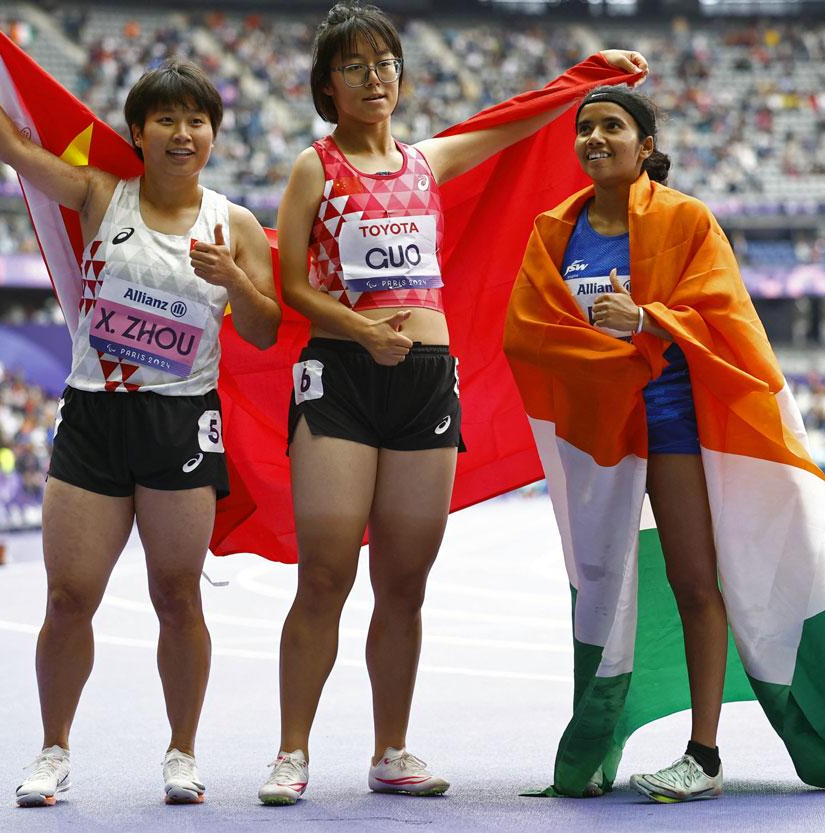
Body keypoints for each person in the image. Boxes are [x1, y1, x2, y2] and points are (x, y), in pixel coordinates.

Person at [257, 2, 648, 805]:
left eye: (387, 62)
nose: (377, 77)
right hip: (340, 376)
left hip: (427, 379)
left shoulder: (426, 164)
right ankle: (291, 751)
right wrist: (361, 331)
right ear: (328, 86)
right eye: (357, 66)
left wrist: (590, 76)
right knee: (327, 573)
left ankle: (390, 748)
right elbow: (292, 284)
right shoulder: (314, 167)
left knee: (405, 581)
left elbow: (511, 125)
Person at [503, 86, 825, 801]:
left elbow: (723, 315)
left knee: (695, 580)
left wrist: (647, 319)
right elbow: (528, 332)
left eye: (612, 126)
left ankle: (705, 753)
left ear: (647, 147)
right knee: (597, 589)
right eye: (585, 128)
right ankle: (595, 745)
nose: (594, 138)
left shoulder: (686, 219)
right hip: (598, 440)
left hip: (671, 427)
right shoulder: (552, 232)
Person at [0, 18, 281, 807]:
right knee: (69, 596)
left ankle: (182, 752)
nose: (182, 132)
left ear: (213, 136)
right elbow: (18, 156)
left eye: (196, 120)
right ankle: (53, 749)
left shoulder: (232, 223)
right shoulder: (105, 194)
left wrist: (235, 277)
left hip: (180, 423)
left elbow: (265, 329)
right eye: (166, 118)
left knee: (177, 594)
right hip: (95, 416)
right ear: (138, 132)